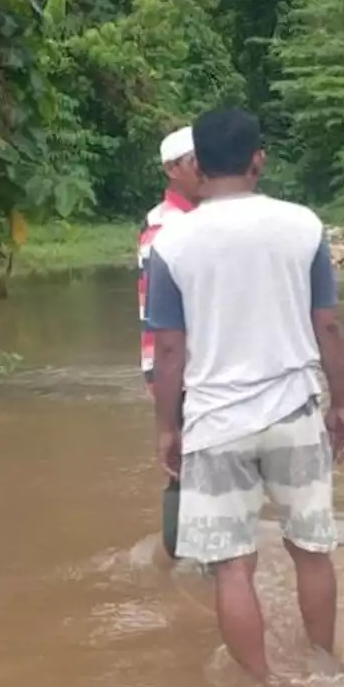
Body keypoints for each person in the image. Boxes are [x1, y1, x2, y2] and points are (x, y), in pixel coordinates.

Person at [143, 107, 344, 682]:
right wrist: (342, 404)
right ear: (259, 158)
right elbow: (327, 326)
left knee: (232, 566)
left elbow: (168, 351)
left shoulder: (172, 242)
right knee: (311, 550)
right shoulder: (303, 225)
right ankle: (323, 666)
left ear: (198, 165)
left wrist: (167, 427)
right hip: (295, 410)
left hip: (215, 423)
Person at [139, 126, 199, 560]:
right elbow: (164, 327)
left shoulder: (195, 220)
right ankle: (185, 563)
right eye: (197, 161)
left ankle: (190, 565)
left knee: (198, 468)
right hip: (180, 368)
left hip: (193, 365)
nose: (207, 169)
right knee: (185, 467)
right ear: (172, 169)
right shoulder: (166, 227)